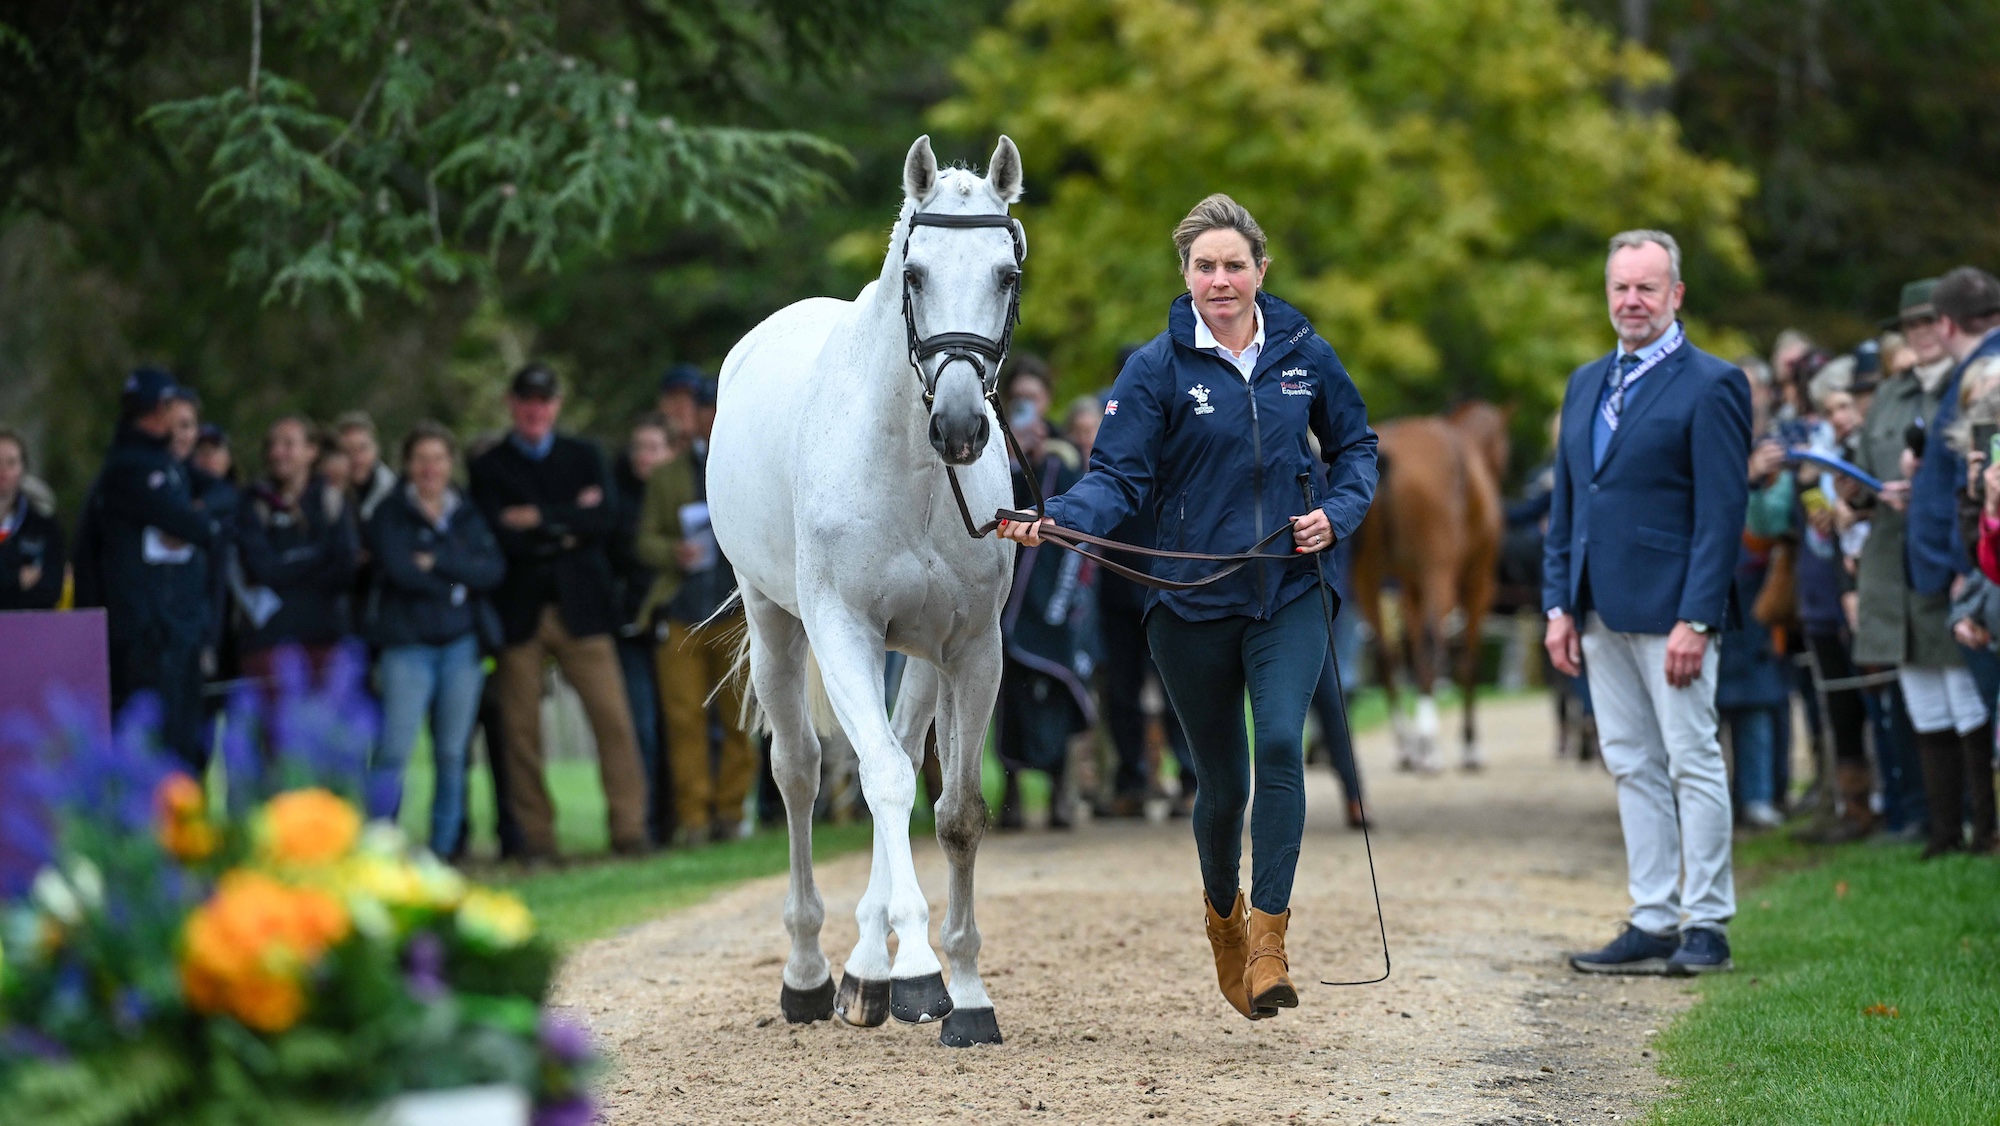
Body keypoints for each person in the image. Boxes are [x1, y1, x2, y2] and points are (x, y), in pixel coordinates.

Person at [1001, 194, 1379, 1021]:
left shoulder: (1305, 351)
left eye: (1234, 265)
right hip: (1190, 603)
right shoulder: (1154, 369)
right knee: (1222, 780)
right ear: (1186, 275)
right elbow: (1118, 480)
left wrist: (1338, 514)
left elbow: (1357, 447)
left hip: (1288, 587)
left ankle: (1272, 943)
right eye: (1205, 266)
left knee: (1280, 741)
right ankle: (1225, 925)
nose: (1221, 279)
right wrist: (1056, 519)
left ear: (1260, 272)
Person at [1543, 230, 1751, 976]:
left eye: (1647, 288)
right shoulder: (1584, 382)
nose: (1632, 300)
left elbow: (1722, 515)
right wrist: (1557, 606)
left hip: (1673, 617)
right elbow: (1570, 504)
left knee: (1692, 761)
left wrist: (1697, 617)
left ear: (1676, 296)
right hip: (1595, 607)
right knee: (1630, 762)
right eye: (1620, 287)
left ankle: (1708, 924)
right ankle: (1655, 915)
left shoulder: (1713, 383)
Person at [469, 363, 650, 860]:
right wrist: (570, 521)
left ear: (557, 404)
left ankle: (630, 830)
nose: (535, 408)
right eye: (527, 399)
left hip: (584, 610)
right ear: (512, 403)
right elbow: (497, 533)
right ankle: (537, 841)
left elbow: (605, 519)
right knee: (520, 733)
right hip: (520, 612)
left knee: (613, 722)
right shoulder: (489, 466)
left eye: (544, 400)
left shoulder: (584, 454)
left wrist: (538, 519)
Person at [363, 422, 506, 857]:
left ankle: (444, 852)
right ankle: (380, 848)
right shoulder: (389, 514)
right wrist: (456, 577)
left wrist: (438, 561)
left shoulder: (466, 510)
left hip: (461, 648)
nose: (430, 468)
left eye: (438, 458)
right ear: (407, 464)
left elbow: (492, 571)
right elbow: (400, 571)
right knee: (394, 752)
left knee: (452, 753)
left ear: (450, 463)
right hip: (406, 647)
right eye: (421, 459)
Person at [1898, 267, 2000, 855]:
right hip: (1973, 558)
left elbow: (1974, 486)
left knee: (1981, 706)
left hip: (1977, 564)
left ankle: (1982, 832)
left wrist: (1964, 571)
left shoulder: (1982, 376)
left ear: (1945, 322)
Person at [75, 368, 219, 770]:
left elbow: (223, 494)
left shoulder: (160, 462)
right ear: (160, 411)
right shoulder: (130, 467)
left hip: (173, 625)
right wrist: (201, 522)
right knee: (155, 744)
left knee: (184, 740)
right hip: (147, 630)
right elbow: (193, 526)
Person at [638, 364, 754, 847]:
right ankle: (694, 820)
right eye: (700, 409)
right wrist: (673, 553)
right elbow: (644, 540)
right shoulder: (665, 476)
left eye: (711, 408)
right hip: (683, 612)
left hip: (735, 611)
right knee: (684, 722)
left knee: (739, 720)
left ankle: (731, 813)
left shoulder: (748, 464)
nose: (706, 417)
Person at [995, 365, 1094, 831]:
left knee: (1055, 691)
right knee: (1008, 696)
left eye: (1034, 396)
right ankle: (1011, 791)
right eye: (1018, 397)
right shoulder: (994, 450)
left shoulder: (1064, 456)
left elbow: (1077, 524)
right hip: (1006, 594)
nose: (1026, 404)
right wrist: (1016, 461)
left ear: (1048, 399)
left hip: (1052, 595)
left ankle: (1061, 791)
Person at [236, 417, 361, 684]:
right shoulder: (253, 502)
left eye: (288, 444)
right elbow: (262, 569)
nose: (277, 453)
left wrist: (287, 565)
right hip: (269, 642)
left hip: (326, 639)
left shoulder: (331, 500)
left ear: (311, 451)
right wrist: (317, 556)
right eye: (272, 445)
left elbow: (345, 568)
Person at [610, 413, 674, 838]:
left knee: (682, 726)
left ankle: (682, 819)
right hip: (631, 629)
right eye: (639, 448)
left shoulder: (690, 495)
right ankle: (647, 822)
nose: (644, 456)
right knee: (643, 727)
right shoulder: (617, 504)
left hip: (680, 625)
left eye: (653, 447)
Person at [0, 428, 64, 611]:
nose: (2, 470)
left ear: (23, 468)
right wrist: (16, 579)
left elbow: (50, 589)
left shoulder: (44, 525)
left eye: (11, 462)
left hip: (29, 631)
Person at [334, 411, 399, 522]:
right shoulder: (324, 493)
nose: (356, 459)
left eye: (363, 449)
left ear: (376, 450)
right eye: (348, 451)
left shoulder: (394, 493)